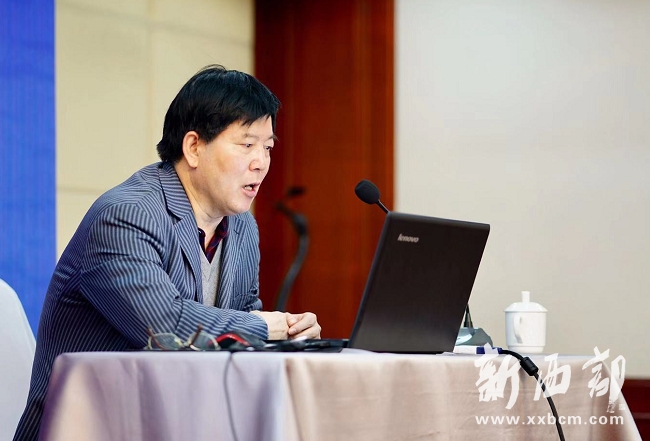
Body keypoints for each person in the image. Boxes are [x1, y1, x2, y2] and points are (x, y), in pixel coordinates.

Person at [14, 65, 321, 440]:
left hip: (183, 425)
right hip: (98, 428)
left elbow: (242, 325)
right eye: (247, 145)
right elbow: (164, 328)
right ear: (194, 147)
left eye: (268, 147)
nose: (261, 162)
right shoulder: (125, 215)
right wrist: (264, 327)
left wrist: (290, 334)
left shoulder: (242, 228)